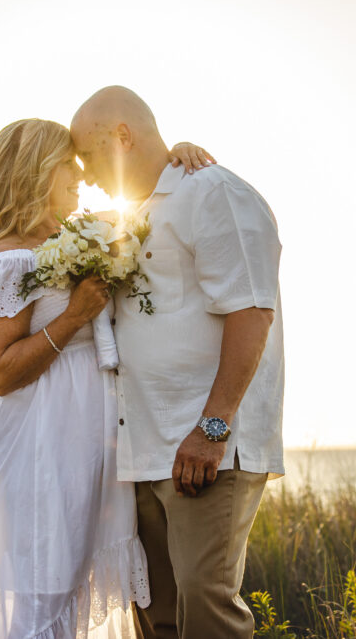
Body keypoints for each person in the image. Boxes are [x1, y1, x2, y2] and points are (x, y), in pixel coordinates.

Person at [0, 117, 212, 638]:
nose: (79, 174)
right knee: (42, 586)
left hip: (93, 438)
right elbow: (1, 373)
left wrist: (174, 158)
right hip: (40, 441)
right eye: (66, 164)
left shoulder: (74, 237)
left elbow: (139, 207)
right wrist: (73, 316)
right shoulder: (8, 257)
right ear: (35, 170)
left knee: (77, 580)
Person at [70, 87, 285, 638]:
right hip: (141, 449)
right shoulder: (127, 216)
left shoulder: (213, 193)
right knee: (156, 612)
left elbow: (251, 312)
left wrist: (212, 429)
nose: (85, 174)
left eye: (87, 156)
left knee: (205, 605)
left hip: (203, 445)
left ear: (122, 136)